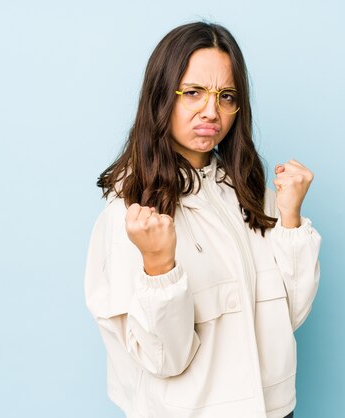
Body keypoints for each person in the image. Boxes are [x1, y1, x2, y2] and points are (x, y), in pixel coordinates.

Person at [84, 22, 321, 418]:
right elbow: (165, 360)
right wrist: (158, 267)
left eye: (226, 96)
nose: (211, 111)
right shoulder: (130, 214)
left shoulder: (249, 192)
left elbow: (290, 317)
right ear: (162, 96)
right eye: (192, 92)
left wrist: (290, 218)